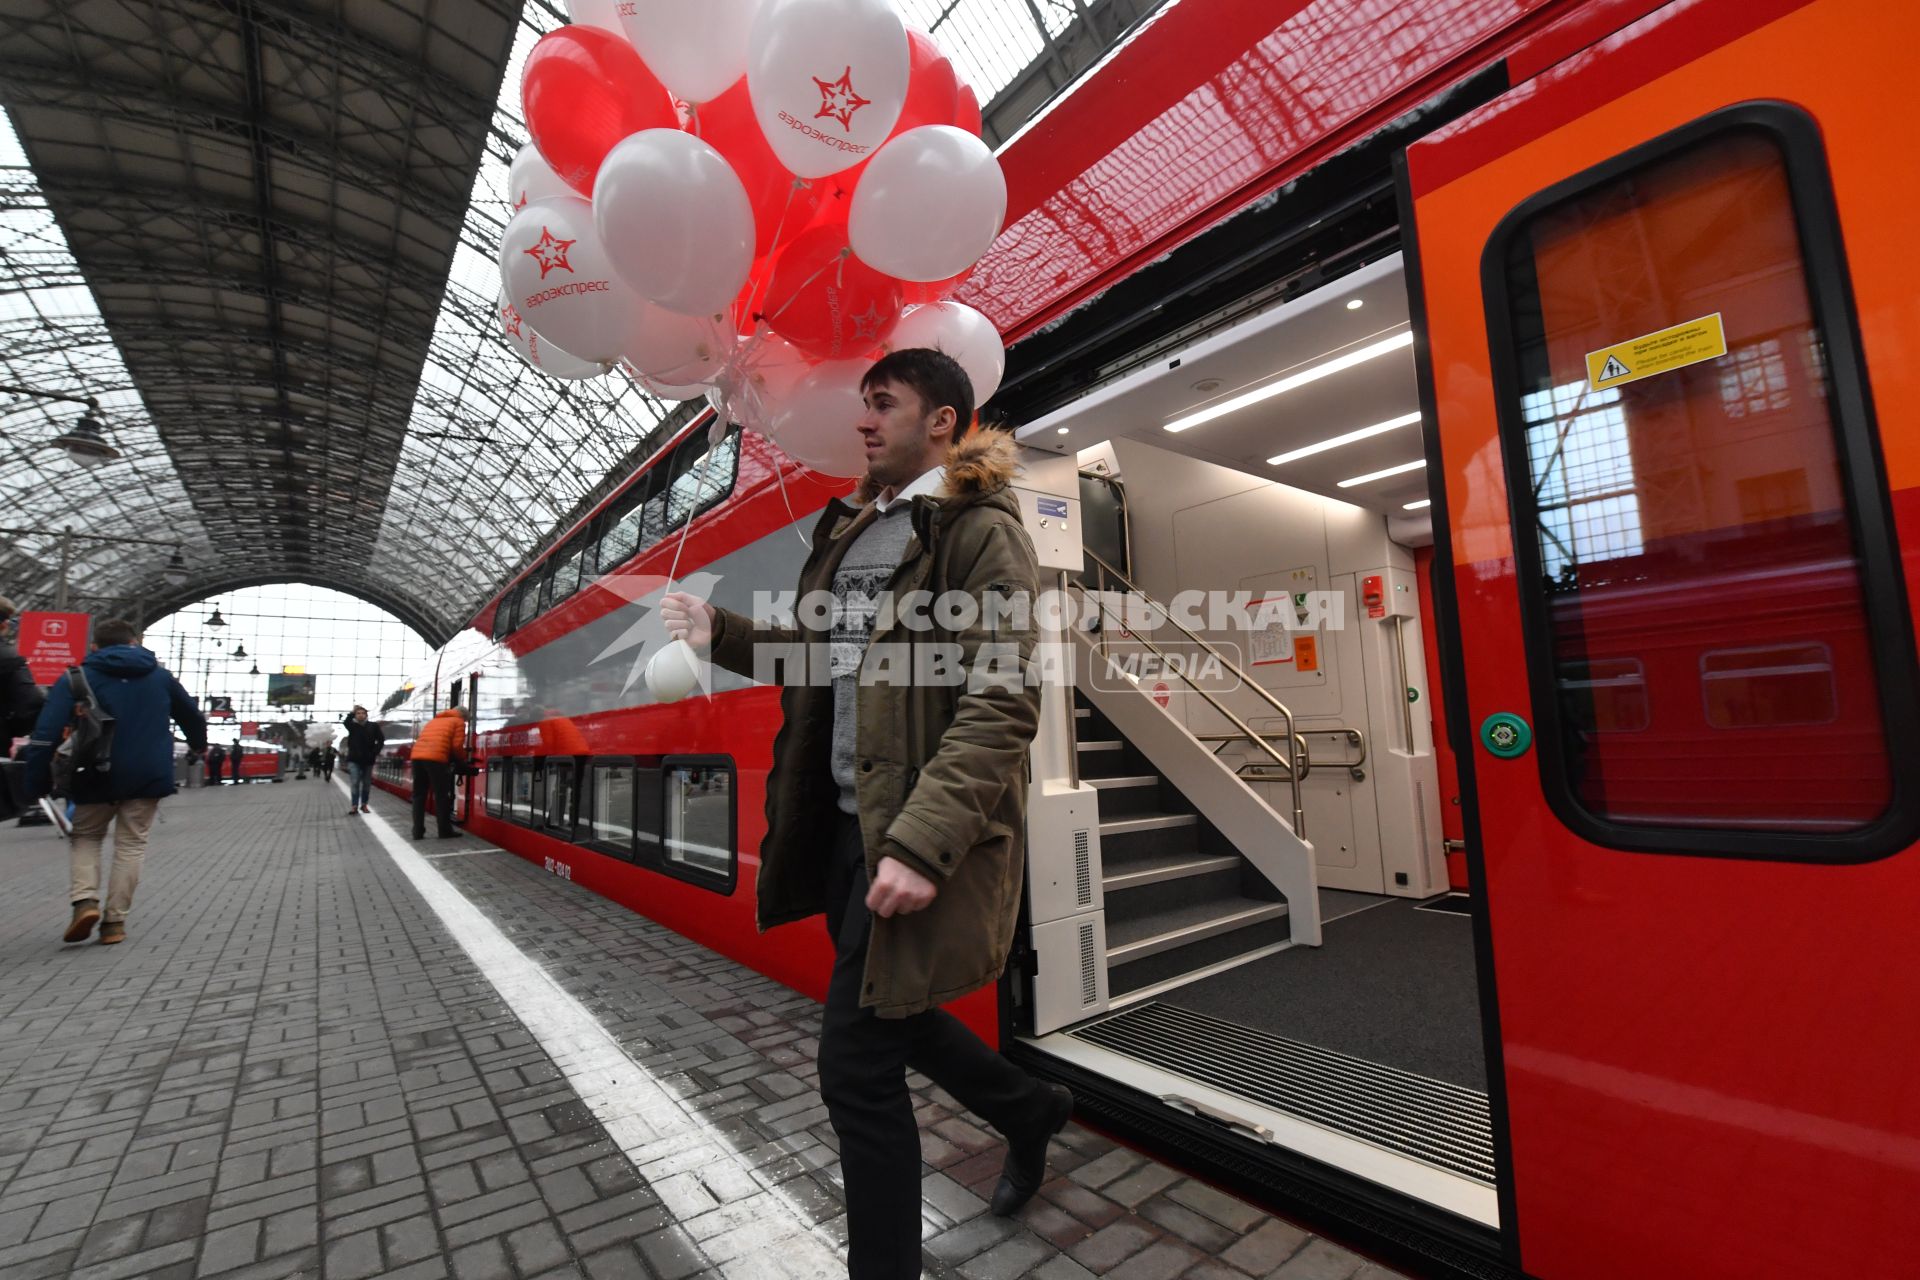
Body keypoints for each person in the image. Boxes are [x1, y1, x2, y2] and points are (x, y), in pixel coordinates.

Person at [663, 348, 1070, 1279]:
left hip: (908, 831)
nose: (861, 421)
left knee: (855, 1067)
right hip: (848, 827)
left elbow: (1004, 697)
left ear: (941, 420)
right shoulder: (849, 530)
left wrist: (924, 845)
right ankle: (1030, 1109)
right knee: (900, 1015)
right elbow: (815, 662)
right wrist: (717, 633)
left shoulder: (977, 530)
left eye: (882, 404)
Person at [22, 617, 207, 945]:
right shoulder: (161, 677)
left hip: (92, 771)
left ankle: (85, 902)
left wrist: (35, 784)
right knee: (132, 844)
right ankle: (114, 923)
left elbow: (45, 734)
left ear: (94, 646)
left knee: (86, 838)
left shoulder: (76, 678)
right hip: (148, 773)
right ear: (135, 643)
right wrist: (198, 746)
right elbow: (192, 716)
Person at [409, 692, 465, 839]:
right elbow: (457, 746)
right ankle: (444, 830)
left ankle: (417, 832)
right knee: (441, 795)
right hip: (435, 759)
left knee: (419, 795)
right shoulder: (458, 722)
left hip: (417, 757)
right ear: (463, 715)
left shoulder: (435, 720)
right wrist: (462, 760)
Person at [341, 705, 383, 814]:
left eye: (363, 713)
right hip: (354, 759)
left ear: (366, 715)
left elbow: (381, 740)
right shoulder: (352, 726)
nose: (360, 715)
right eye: (358, 713)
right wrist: (352, 711)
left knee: (366, 783)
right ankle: (354, 805)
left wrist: (375, 752)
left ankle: (364, 805)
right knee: (355, 782)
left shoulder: (373, 726)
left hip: (368, 759)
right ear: (355, 715)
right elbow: (346, 722)